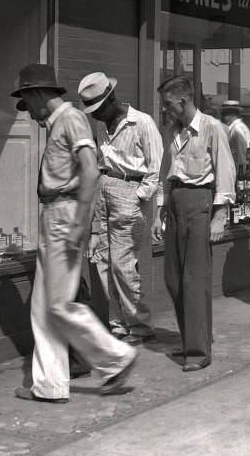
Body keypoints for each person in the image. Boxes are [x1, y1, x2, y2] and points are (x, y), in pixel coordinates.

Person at [11, 64, 137, 402]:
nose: (31, 114)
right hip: (55, 213)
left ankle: (115, 358)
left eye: (27, 101)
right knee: (43, 307)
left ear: (36, 93)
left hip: (64, 215)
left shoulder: (70, 119)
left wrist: (79, 222)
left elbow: (91, 171)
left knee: (60, 304)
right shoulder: (59, 123)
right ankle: (49, 385)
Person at [152, 76, 235, 371]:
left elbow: (225, 172)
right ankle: (190, 339)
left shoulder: (212, 128)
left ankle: (199, 351)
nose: (165, 110)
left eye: (168, 104)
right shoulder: (173, 132)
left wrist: (219, 215)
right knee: (173, 278)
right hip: (175, 204)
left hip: (200, 203)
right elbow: (166, 171)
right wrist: (160, 210)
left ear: (183, 101)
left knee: (195, 280)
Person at [79, 71, 163, 346]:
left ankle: (139, 323)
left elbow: (155, 170)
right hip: (103, 188)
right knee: (101, 259)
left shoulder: (142, 123)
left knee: (123, 265)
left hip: (129, 190)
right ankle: (118, 323)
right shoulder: (103, 125)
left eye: (97, 108)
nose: (94, 115)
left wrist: (138, 197)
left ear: (111, 98)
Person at [220, 100, 250, 166]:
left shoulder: (237, 128)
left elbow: (242, 152)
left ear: (232, 113)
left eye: (224, 113)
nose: (222, 116)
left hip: (240, 169)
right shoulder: (235, 127)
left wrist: (242, 172)